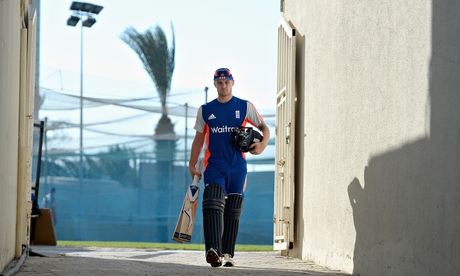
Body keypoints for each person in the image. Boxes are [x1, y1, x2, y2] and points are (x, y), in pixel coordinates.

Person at [188, 68, 270, 267]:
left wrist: (261, 145)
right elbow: (199, 139)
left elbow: (264, 128)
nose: (223, 86)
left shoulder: (244, 106)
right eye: (220, 82)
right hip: (214, 165)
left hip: (237, 167)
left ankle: (227, 254)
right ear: (215, 84)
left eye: (227, 82)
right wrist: (192, 164)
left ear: (232, 83)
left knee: (233, 210)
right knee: (213, 202)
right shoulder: (205, 110)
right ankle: (213, 251)